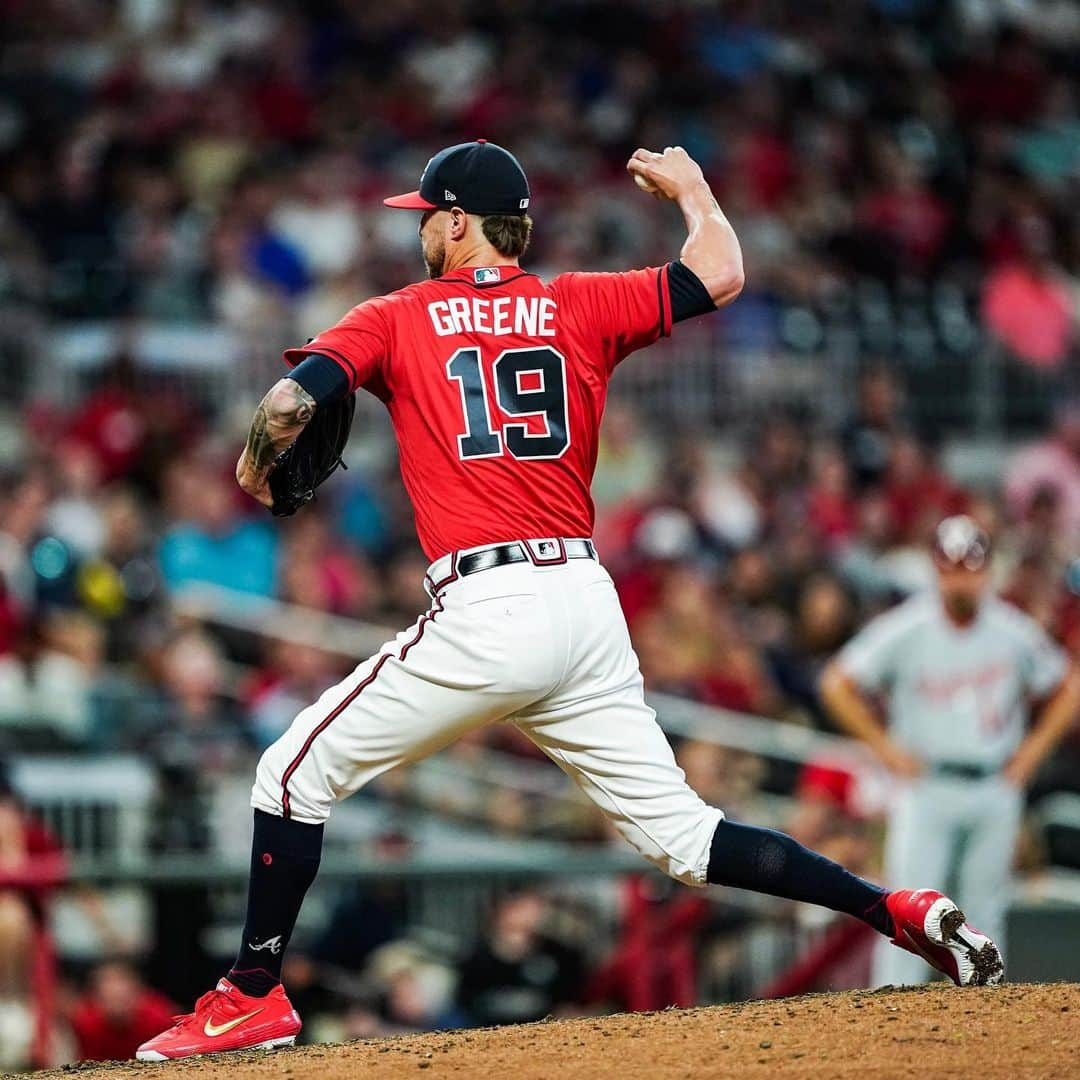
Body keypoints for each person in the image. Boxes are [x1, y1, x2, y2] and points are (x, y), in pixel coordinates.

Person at [138, 142, 1004, 1061]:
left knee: (287, 774)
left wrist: (255, 468)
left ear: (460, 223)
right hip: (584, 604)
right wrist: (696, 190)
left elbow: (284, 406)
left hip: (487, 604)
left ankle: (252, 994)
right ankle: (890, 907)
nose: (419, 229)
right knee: (684, 836)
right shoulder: (580, 302)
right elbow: (722, 270)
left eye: (425, 215)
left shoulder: (395, 315)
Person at [821, 515, 1080, 986]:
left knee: (986, 914)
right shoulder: (908, 626)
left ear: (985, 571)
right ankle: (892, 1022)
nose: (961, 577)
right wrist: (884, 748)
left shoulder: (1010, 630)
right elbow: (837, 682)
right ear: (935, 569)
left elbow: (1068, 685)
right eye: (951, 567)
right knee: (909, 911)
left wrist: (1032, 753)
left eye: (970, 567)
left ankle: (985, 1035)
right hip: (927, 785)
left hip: (993, 782)